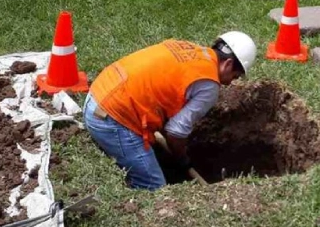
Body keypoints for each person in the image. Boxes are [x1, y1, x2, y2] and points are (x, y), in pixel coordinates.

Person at [82, 31, 257, 190]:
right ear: (227, 64)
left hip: (98, 93)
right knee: (155, 187)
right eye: (234, 77)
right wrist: (182, 159)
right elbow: (175, 132)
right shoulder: (208, 86)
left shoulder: (186, 48)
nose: (230, 83)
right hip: (111, 119)